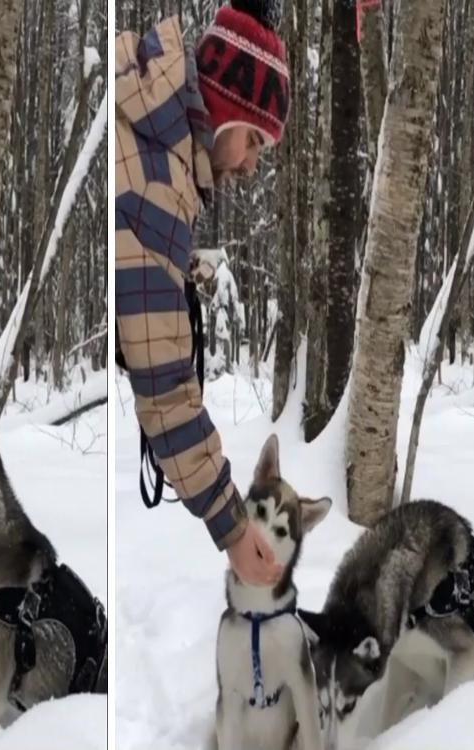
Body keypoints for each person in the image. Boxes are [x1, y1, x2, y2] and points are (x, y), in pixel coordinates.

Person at [114, 0, 290, 586]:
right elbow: (167, 394)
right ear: (224, 109)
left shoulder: (141, 118)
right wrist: (236, 532)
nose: (249, 168)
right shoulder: (157, 190)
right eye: (256, 143)